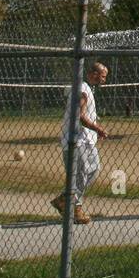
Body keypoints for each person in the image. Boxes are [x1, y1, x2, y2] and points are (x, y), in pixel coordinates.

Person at [53, 62, 109, 225]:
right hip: (77, 141)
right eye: (103, 76)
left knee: (94, 169)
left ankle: (65, 199)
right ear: (93, 73)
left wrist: (94, 131)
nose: (104, 80)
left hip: (85, 140)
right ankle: (74, 207)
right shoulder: (83, 90)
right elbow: (80, 115)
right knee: (81, 174)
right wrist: (97, 128)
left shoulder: (86, 89)